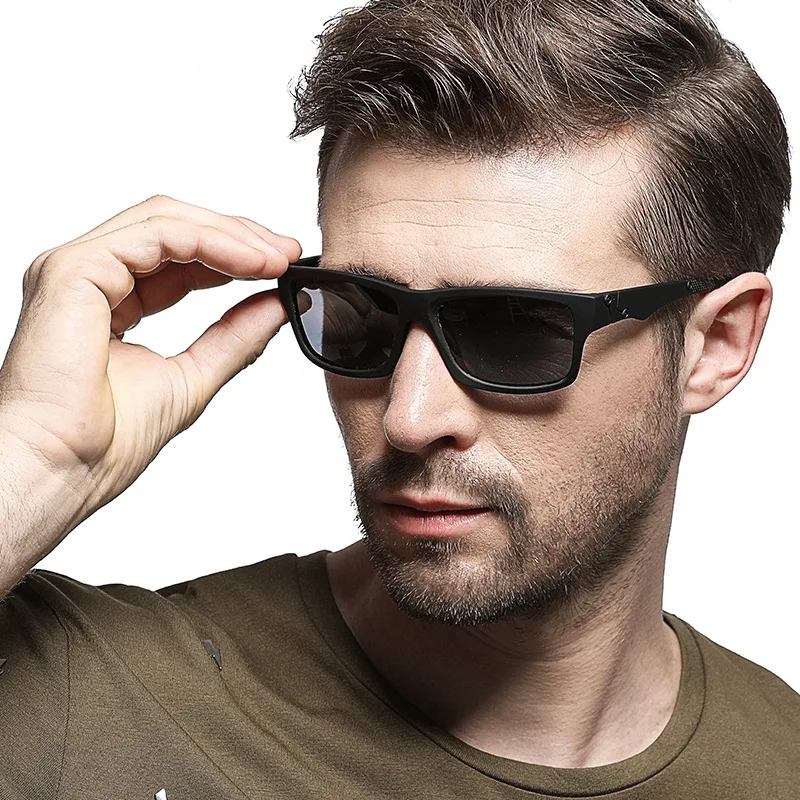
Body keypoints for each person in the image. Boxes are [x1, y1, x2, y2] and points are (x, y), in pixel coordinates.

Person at [0, 0, 797, 797]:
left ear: (716, 345)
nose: (409, 417)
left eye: (512, 330)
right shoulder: (79, 702)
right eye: (364, 315)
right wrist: (29, 459)